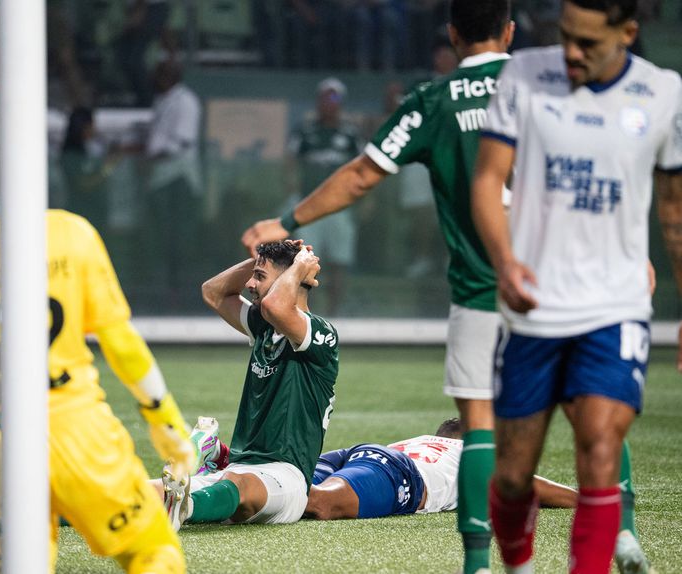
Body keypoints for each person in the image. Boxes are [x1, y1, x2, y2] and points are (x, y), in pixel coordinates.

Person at [242, 2, 516, 571]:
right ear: (510, 31)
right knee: (596, 408)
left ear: (452, 33)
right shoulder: (547, 90)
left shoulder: (432, 102)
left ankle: (479, 564)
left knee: (482, 426)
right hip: (559, 282)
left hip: (480, 291)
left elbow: (364, 174)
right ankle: (622, 525)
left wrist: (286, 223)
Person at [0, 111, 196, 573]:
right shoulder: (71, 233)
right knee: (154, 553)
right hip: (80, 432)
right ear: (33, 162)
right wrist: (169, 428)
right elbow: (121, 343)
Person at [471, 0, 682, 572]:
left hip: (615, 305)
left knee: (599, 449)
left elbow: (674, 209)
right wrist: (506, 261)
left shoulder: (664, 93)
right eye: (566, 36)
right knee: (514, 478)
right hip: (534, 307)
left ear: (629, 34)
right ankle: (517, 562)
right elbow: (488, 180)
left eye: (588, 42)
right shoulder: (523, 74)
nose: (571, 52)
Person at [157, 240, 339, 529]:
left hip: (285, 476)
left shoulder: (319, 332)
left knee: (239, 487)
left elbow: (275, 305)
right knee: (144, 490)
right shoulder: (264, 326)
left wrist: (298, 267)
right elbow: (213, 292)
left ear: (288, 280)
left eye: (260, 277)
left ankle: (183, 507)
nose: (250, 284)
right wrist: (258, 259)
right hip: (236, 468)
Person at [305, 418, 578, 521]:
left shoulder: (421, 440)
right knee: (320, 503)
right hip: (400, 473)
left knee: (285, 483)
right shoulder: (472, 453)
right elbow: (527, 483)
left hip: (360, 453)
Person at [286, 77, 362, 314]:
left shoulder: (350, 133)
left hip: (340, 208)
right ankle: (302, 312)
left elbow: (364, 167)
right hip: (309, 207)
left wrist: (364, 201)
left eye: (335, 97)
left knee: (339, 260)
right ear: (318, 101)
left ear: (341, 102)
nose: (329, 102)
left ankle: (334, 314)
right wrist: (292, 189)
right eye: (325, 97)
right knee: (304, 261)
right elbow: (290, 162)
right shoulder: (305, 131)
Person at [144, 59, 202, 306]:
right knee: (161, 241)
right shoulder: (161, 100)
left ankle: (182, 295)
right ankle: (165, 293)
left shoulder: (186, 101)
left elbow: (182, 142)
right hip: (160, 181)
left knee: (180, 242)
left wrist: (149, 157)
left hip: (179, 182)